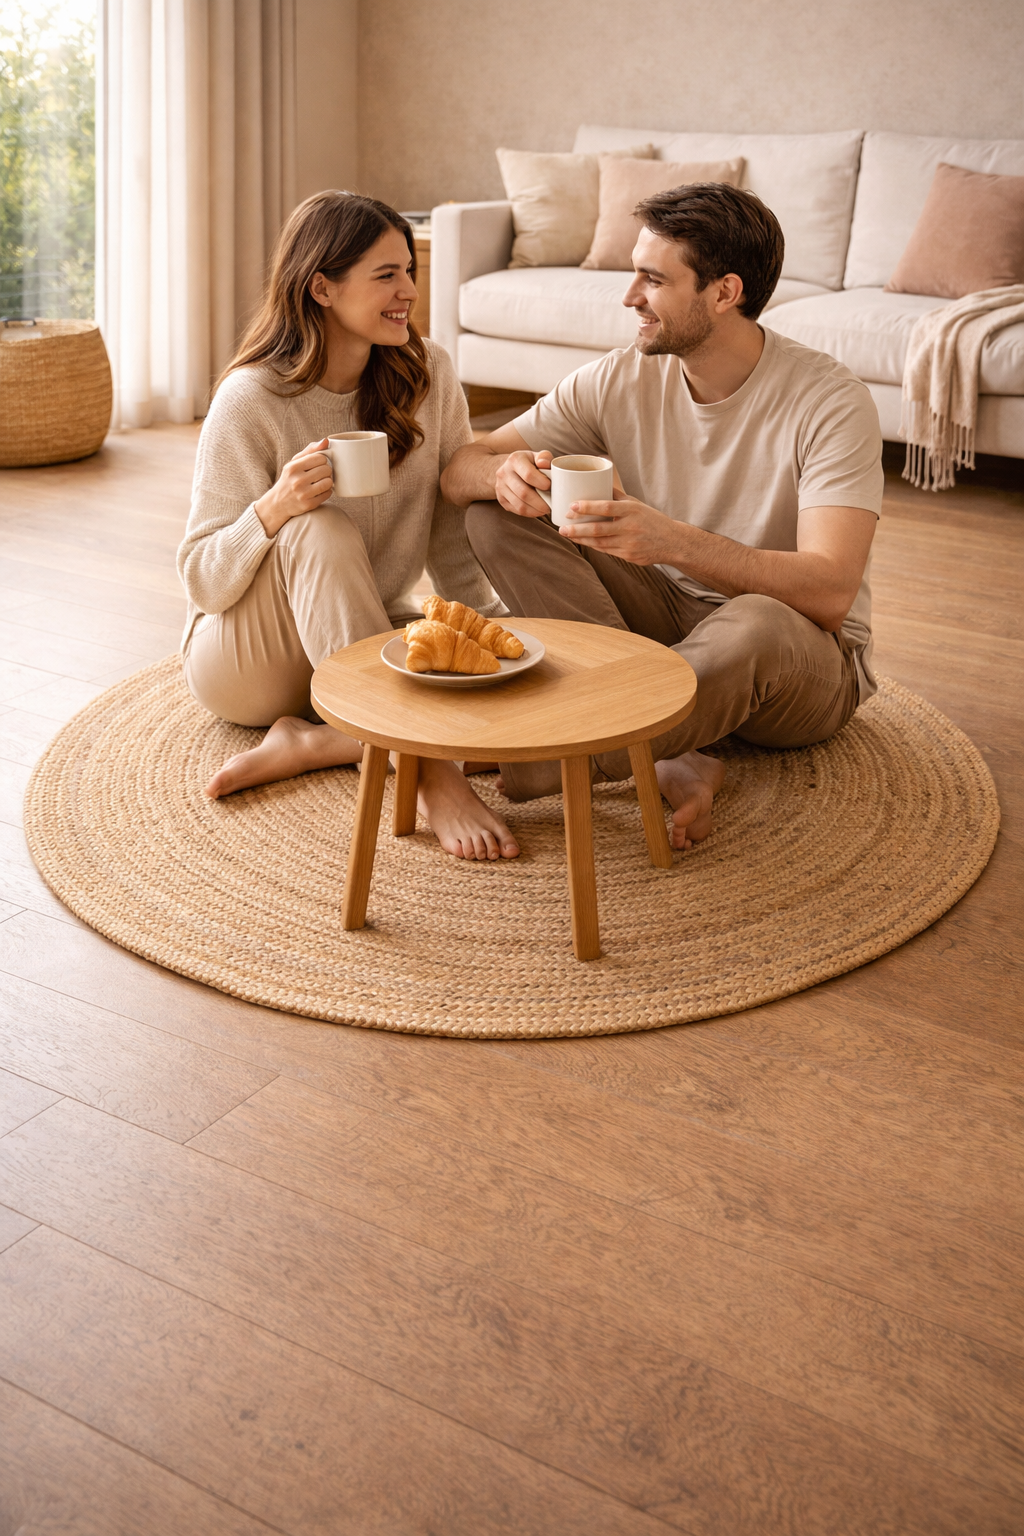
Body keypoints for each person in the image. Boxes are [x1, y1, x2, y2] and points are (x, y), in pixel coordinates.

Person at [441, 182, 883, 850]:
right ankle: (673, 749)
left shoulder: (830, 401)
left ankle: (553, 748)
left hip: (798, 664)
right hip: (665, 629)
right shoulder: (619, 379)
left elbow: (829, 593)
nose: (629, 298)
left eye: (652, 279)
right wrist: (500, 473)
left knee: (756, 619)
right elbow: (459, 471)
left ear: (724, 293)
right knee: (494, 517)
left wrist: (672, 542)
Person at [177, 191, 519, 861]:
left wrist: (494, 635)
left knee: (512, 714)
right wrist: (274, 509)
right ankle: (431, 777)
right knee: (318, 529)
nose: (408, 292)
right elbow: (202, 582)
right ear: (323, 287)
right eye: (386, 275)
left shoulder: (429, 375)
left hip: (357, 635)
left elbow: (451, 531)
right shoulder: (252, 397)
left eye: (410, 271)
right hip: (249, 663)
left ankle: (316, 742)